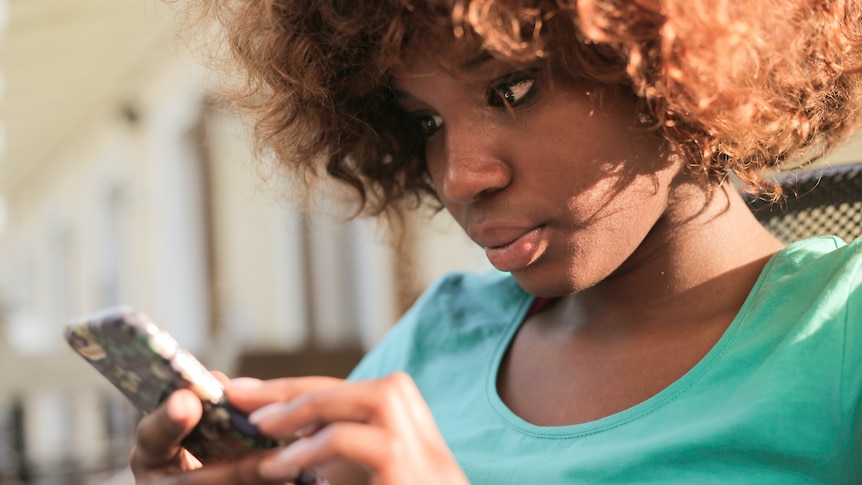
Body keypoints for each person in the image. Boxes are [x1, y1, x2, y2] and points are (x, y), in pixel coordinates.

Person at [132, 0, 862, 483]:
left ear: (671, 64)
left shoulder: (841, 333)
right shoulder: (438, 335)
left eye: (512, 88)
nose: (459, 177)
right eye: (425, 123)